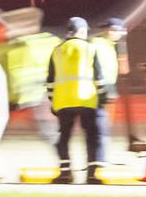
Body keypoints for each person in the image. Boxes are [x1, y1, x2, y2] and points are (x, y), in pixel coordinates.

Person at [47, 17, 103, 183]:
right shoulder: (89, 48)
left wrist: (52, 101)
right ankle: (92, 174)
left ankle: (65, 173)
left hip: (63, 101)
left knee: (64, 138)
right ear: (82, 31)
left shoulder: (57, 50)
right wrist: (101, 98)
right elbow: (98, 78)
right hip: (87, 100)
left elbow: (50, 80)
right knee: (91, 137)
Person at [0, 27, 61, 146]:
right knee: (43, 111)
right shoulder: (52, 39)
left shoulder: (14, 42)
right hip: (28, 87)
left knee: (3, 115)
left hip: (19, 88)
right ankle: (55, 141)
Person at [93, 17, 127, 167]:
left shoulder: (111, 46)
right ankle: (99, 160)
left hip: (107, 87)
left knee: (104, 127)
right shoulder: (97, 45)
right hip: (98, 89)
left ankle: (101, 158)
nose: (118, 34)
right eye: (116, 30)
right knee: (101, 127)